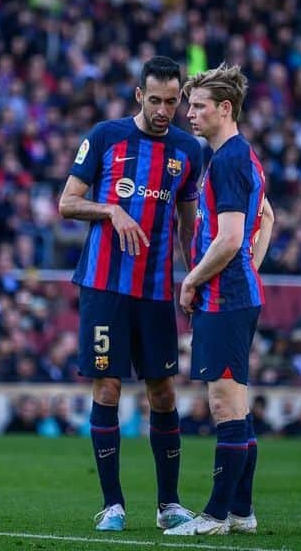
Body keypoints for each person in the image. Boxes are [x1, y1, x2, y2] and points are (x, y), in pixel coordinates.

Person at [58, 56, 202, 532]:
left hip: (156, 291)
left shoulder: (188, 151)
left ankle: (169, 505)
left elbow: (185, 226)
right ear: (139, 96)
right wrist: (111, 212)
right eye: (155, 100)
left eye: (173, 101)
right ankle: (113, 504)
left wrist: (194, 278)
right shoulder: (105, 136)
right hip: (104, 287)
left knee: (162, 392)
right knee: (108, 386)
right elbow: (67, 203)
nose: (164, 109)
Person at [166, 63, 275, 537]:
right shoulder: (240, 156)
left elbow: (231, 238)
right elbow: (267, 218)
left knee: (225, 408)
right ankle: (241, 513)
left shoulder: (229, 159)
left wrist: (192, 279)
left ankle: (212, 516)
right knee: (238, 407)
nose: (189, 113)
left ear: (224, 108)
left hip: (224, 299)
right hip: (237, 293)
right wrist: (252, 266)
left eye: (198, 106)